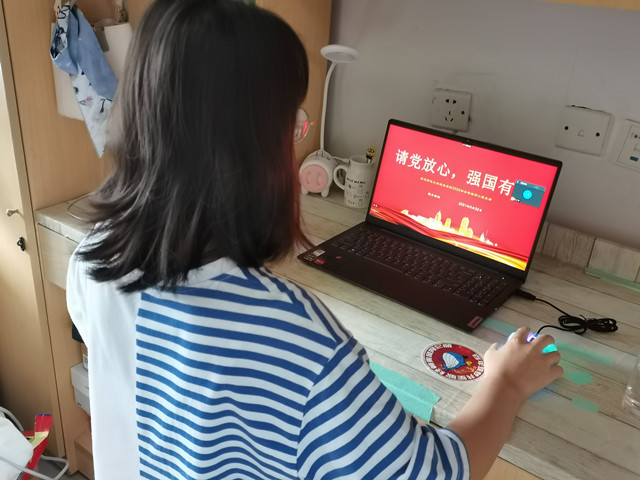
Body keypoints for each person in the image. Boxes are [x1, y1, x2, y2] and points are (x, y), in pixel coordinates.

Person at [66, 0, 563, 479]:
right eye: (292, 124)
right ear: (258, 150)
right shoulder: (295, 336)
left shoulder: (94, 257)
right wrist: (507, 382)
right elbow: (436, 473)